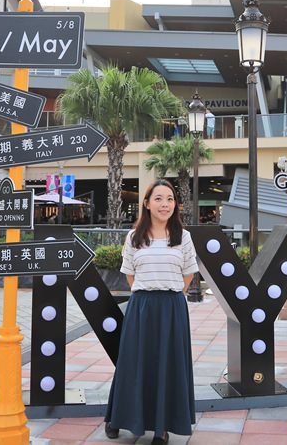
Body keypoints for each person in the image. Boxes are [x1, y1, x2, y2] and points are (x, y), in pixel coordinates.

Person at [104, 179, 198, 444]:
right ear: (146, 203)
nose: (164, 204)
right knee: (132, 364)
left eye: (169, 199)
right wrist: (147, 293)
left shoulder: (183, 236)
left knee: (168, 364)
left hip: (172, 307)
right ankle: (117, 419)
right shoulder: (134, 237)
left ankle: (162, 426)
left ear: (175, 205)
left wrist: (170, 293)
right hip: (141, 307)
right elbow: (130, 276)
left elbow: (188, 274)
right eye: (158, 198)